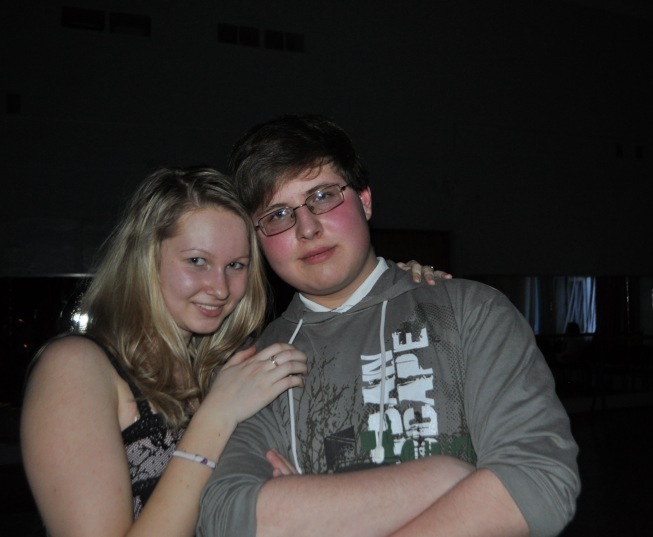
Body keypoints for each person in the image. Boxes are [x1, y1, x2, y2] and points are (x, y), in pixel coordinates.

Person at [197, 115, 581, 537]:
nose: (307, 228)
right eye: (278, 215)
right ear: (259, 238)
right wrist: (447, 482)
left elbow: (537, 483)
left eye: (323, 196)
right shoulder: (256, 365)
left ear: (364, 201)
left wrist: (311, 510)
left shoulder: (472, 311)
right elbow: (225, 515)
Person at [19, 165, 445, 537]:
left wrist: (394, 282)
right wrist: (216, 418)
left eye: (236, 265)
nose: (220, 288)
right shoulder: (75, 368)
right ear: (145, 258)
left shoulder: (233, 365)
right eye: (197, 261)